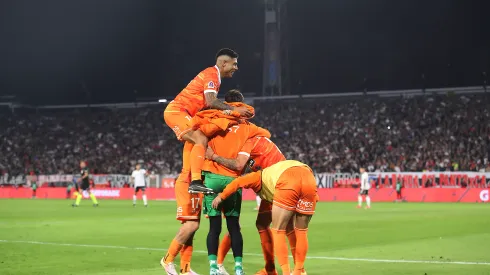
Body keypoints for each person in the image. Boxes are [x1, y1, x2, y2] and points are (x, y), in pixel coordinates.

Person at [161, 82, 253, 275]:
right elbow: (215, 123)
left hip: (200, 181)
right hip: (187, 181)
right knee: (192, 225)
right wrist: (233, 114)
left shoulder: (203, 132)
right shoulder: (198, 131)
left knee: (193, 226)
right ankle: (168, 260)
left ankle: (185, 268)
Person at [212, 160, 317, 275]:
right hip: (308, 177)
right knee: (301, 231)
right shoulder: (270, 174)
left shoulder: (256, 176)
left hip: (287, 180)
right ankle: (299, 271)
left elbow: (238, 182)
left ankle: (286, 272)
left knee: (278, 231)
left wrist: (221, 196)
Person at [208, 136, 292, 275]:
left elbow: (239, 165)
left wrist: (214, 157)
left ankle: (289, 270)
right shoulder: (252, 146)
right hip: (274, 182)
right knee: (261, 224)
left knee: (282, 227)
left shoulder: (250, 141)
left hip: (277, 183)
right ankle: (272, 269)